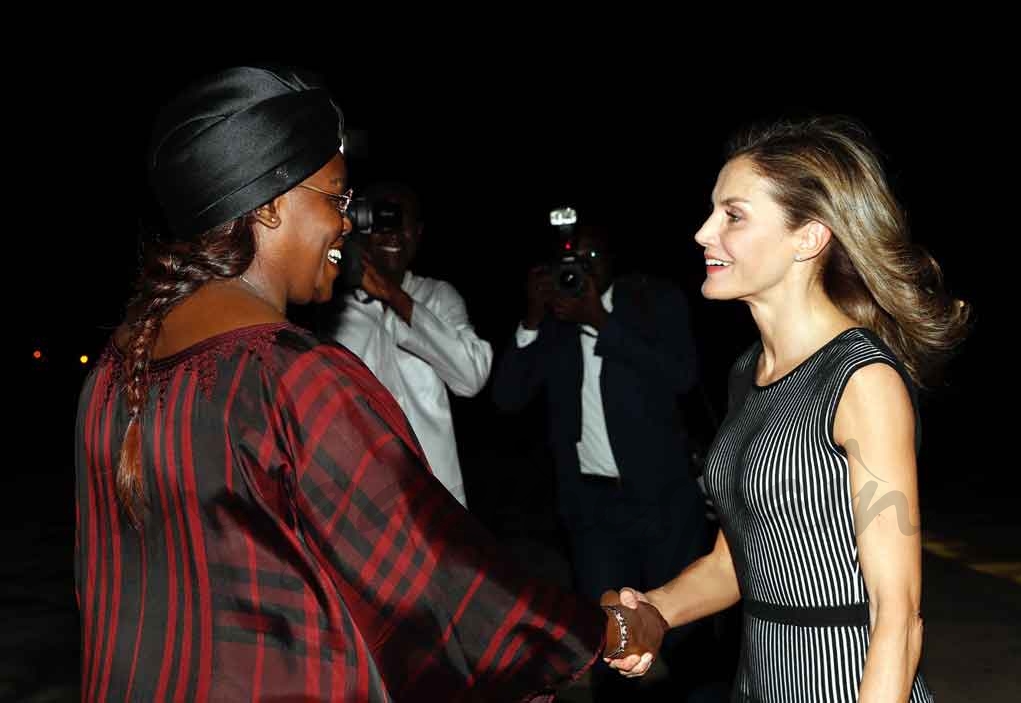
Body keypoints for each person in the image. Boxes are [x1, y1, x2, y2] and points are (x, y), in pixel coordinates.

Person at [74, 65, 667, 702]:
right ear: (270, 206)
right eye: (334, 198)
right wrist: (605, 631)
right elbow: (434, 585)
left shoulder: (115, 372)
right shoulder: (291, 375)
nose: (349, 224)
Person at [607, 116, 971, 702]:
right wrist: (655, 611)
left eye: (734, 214)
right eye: (712, 211)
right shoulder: (745, 372)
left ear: (808, 237)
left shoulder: (860, 380)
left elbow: (897, 620)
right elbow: (736, 563)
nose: (703, 232)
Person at [492, 222, 716, 701]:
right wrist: (532, 320)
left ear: (612, 260)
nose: (582, 271)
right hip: (593, 509)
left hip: (661, 503)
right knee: (613, 639)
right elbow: (508, 397)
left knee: (683, 634)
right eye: (572, 263)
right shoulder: (552, 323)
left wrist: (601, 321)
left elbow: (681, 374)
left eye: (592, 259)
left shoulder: (651, 301)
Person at [326, 181, 491, 507]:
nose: (392, 233)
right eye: (383, 220)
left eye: (402, 223)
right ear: (361, 225)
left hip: (436, 493)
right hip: (363, 496)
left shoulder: (438, 297)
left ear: (417, 234)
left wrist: (395, 297)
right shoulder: (332, 305)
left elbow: (471, 378)